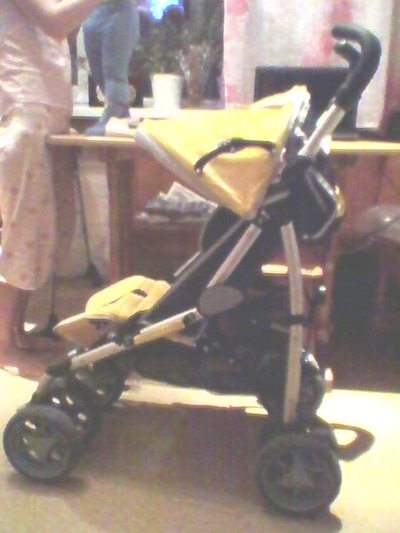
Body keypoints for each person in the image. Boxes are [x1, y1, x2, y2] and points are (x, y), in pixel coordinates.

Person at [0, 0, 103, 378]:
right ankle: (3, 345)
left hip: (47, 106)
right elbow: (56, 22)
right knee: (23, 230)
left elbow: (60, 30)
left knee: (45, 232)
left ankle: (16, 333)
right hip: (24, 106)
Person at [82, 0, 140, 135]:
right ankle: (120, 113)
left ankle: (116, 110)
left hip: (119, 8)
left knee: (113, 71)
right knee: (98, 71)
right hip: (91, 10)